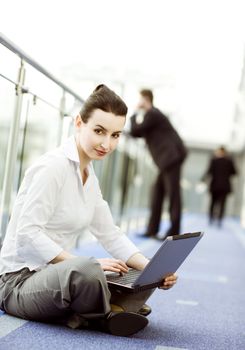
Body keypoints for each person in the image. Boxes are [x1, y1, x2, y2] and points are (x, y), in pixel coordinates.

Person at [0, 85, 177, 337]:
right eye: (99, 131)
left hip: (56, 277)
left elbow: (111, 235)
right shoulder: (53, 168)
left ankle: (104, 306)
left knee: (136, 272)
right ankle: (108, 313)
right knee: (87, 271)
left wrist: (153, 270)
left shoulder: (89, 177)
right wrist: (86, 264)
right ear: (79, 122)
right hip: (18, 283)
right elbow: (27, 236)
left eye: (115, 135)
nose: (107, 143)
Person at [130, 89, 187, 239]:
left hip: (170, 159)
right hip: (166, 161)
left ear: (146, 99)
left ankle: (173, 232)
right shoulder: (153, 116)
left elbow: (135, 130)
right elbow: (137, 133)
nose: (139, 102)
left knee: (173, 196)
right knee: (157, 194)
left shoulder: (153, 114)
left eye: (140, 99)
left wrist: (135, 112)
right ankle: (152, 230)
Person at [202, 146, 237, 226]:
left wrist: (202, 179)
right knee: (222, 204)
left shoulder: (214, 160)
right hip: (224, 186)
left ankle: (211, 218)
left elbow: (209, 171)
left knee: (213, 203)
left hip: (215, 185)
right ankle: (219, 220)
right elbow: (234, 173)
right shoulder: (229, 161)